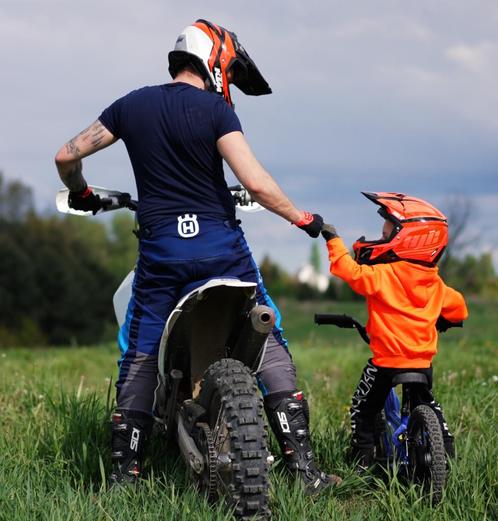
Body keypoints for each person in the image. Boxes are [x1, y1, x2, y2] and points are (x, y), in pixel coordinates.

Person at [54, 19, 340, 493]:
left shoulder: (131, 106)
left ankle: (125, 478)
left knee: (140, 354)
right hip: (221, 253)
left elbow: (65, 156)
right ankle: (306, 472)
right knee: (270, 339)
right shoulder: (215, 111)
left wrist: (81, 191)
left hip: (162, 254)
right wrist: (303, 218)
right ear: (217, 61)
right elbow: (254, 182)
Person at [320, 191, 468, 470]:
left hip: (386, 363)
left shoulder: (384, 275)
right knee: (431, 409)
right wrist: (443, 319)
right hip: (422, 364)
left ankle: (363, 463)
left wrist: (333, 239)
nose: (381, 239)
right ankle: (445, 454)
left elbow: (349, 271)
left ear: (409, 240)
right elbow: (459, 308)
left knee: (363, 410)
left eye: (386, 234)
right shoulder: (435, 283)